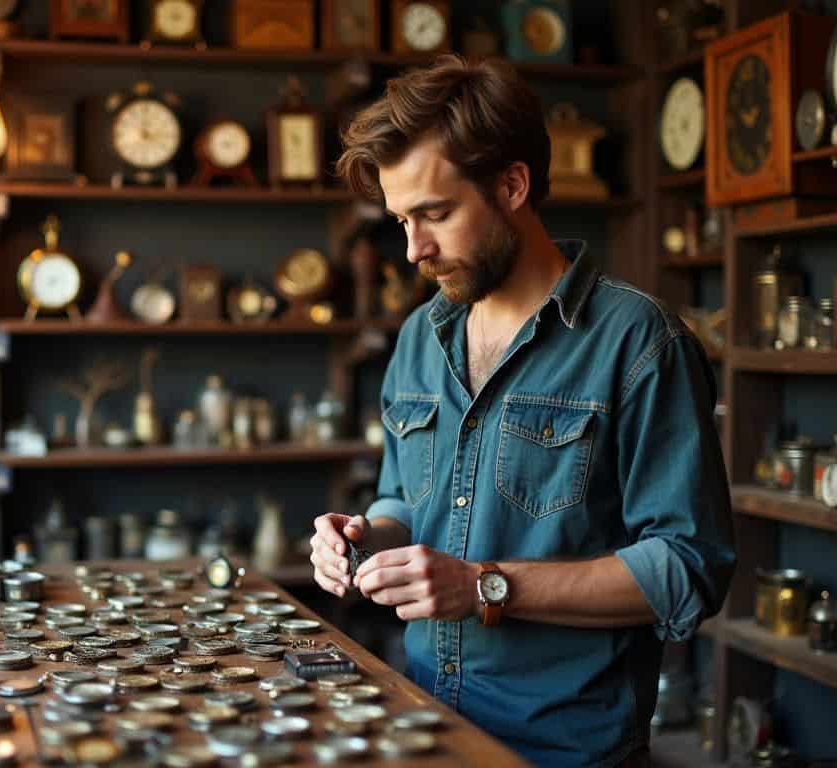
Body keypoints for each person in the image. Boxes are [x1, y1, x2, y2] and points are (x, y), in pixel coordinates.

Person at [314, 55, 736, 768]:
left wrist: (483, 585)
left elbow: (687, 568)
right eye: (400, 220)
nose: (414, 248)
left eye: (435, 214)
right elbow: (406, 498)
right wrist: (366, 537)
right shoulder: (421, 336)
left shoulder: (639, 343)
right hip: (423, 724)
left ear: (512, 184)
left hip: (568, 748)